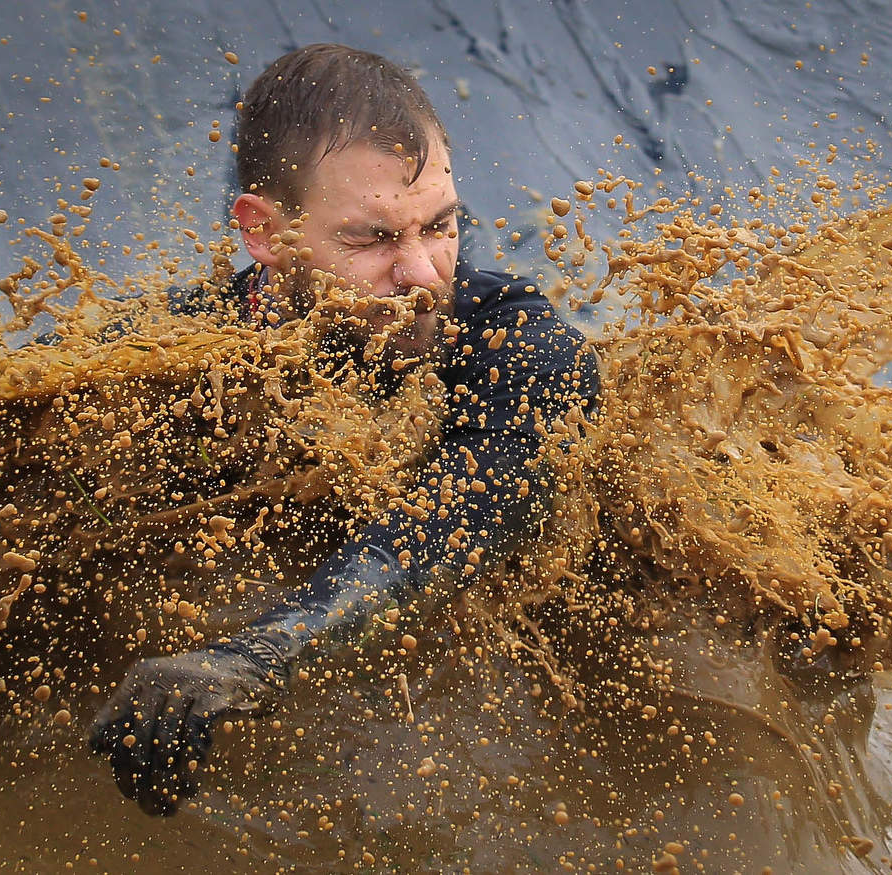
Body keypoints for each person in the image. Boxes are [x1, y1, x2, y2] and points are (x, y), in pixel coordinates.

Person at [87, 43, 599, 816]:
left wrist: (252, 658)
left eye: (441, 224)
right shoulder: (165, 359)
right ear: (264, 233)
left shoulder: (518, 351)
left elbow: (458, 520)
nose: (426, 274)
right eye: (374, 239)